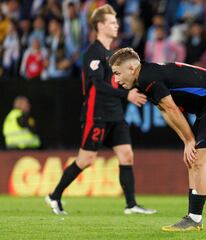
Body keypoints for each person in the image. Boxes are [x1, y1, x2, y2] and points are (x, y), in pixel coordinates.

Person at [108, 47, 206, 231]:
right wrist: (187, 140)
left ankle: (194, 218)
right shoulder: (143, 79)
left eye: (117, 73)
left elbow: (172, 109)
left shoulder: (147, 77)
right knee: (193, 160)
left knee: (199, 160)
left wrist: (188, 140)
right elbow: (165, 111)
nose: (116, 80)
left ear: (131, 68)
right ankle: (193, 218)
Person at [45, 4, 156, 216]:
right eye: (112, 22)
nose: (117, 25)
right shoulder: (93, 53)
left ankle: (131, 205)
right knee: (86, 159)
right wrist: (127, 95)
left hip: (115, 113)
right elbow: (97, 85)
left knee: (126, 155)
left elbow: (117, 83)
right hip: (96, 114)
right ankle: (54, 196)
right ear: (100, 26)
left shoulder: (111, 54)